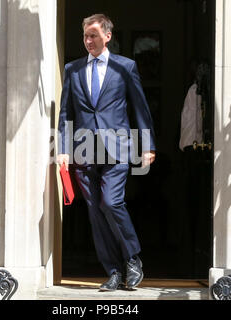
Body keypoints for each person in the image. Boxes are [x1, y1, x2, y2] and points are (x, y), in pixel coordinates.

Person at [57, 14, 156, 291]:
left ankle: (132, 257)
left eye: (94, 36)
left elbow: (139, 108)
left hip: (117, 148)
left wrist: (148, 145)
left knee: (110, 203)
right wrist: (63, 149)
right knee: (95, 213)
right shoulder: (72, 69)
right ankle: (112, 271)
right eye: (86, 36)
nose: (89, 41)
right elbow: (66, 112)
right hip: (84, 151)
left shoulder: (126, 67)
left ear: (107, 36)